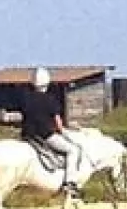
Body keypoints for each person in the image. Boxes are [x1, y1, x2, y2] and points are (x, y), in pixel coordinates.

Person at [19, 67, 81, 196]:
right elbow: (58, 123)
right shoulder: (50, 99)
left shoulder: (26, 98)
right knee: (73, 150)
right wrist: (63, 130)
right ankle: (69, 183)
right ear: (47, 83)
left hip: (28, 135)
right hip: (45, 135)